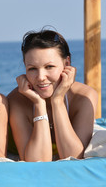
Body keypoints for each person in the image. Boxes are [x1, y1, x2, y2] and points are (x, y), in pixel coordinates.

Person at [8, 29, 98, 162]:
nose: (40, 77)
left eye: (49, 67)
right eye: (32, 69)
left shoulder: (84, 97)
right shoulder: (17, 100)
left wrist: (57, 100)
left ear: (66, 64)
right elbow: (35, 161)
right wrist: (39, 104)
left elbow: (73, 158)